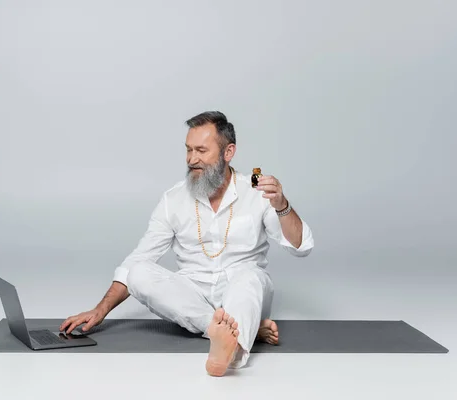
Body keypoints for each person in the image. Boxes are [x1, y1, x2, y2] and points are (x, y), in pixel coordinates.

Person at [60, 111, 314, 376]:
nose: (192, 159)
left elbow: (301, 246)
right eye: (189, 149)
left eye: (202, 150)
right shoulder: (174, 199)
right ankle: (228, 330)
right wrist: (100, 310)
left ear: (229, 152)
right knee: (138, 272)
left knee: (250, 277)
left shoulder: (257, 191)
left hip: (243, 288)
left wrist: (282, 206)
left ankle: (232, 349)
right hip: (193, 294)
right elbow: (137, 259)